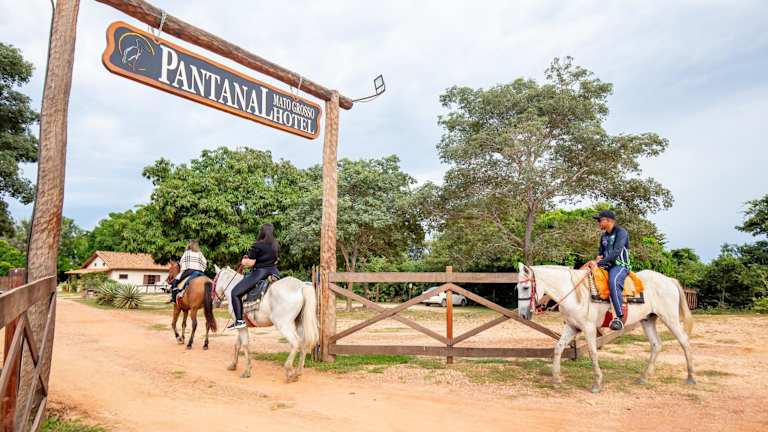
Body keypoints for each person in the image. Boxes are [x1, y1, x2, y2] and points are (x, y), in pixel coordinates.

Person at [226, 223, 280, 331]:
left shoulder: (257, 245)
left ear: (262, 232)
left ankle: (239, 321)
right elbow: (276, 260)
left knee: (235, 293)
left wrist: (244, 261)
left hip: (260, 273)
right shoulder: (276, 245)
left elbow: (251, 263)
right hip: (274, 272)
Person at [586, 210, 631, 331]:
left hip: (620, 266)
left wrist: (599, 263)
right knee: (586, 274)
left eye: (600, 220)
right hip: (605, 265)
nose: (598, 223)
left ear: (609, 220)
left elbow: (616, 252)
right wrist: (598, 259)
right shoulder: (604, 236)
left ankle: (619, 317)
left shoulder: (621, 232)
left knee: (613, 281)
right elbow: (601, 253)